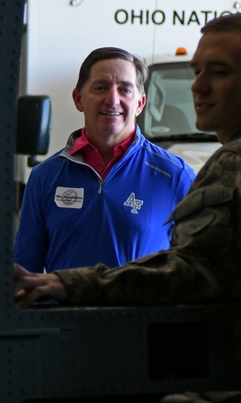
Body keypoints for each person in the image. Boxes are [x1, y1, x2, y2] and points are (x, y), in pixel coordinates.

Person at [14, 13, 241, 308]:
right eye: (196, 71)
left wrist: (71, 284)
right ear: (79, 99)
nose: (198, 86)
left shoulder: (234, 162)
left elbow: (190, 273)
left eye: (218, 71)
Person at [14, 47, 195, 273]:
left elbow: (196, 269)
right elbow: (24, 272)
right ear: (78, 99)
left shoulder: (177, 177)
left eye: (125, 90)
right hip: (63, 309)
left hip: (140, 309)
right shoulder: (44, 177)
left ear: (140, 103)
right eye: (101, 87)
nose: (112, 99)